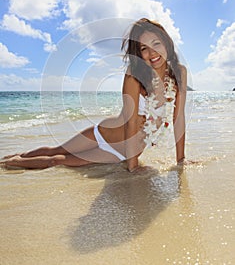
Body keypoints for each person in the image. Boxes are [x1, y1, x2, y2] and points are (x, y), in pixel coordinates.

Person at [2, 18, 187, 172]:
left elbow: (179, 118)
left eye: (156, 43)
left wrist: (181, 161)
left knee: (58, 161)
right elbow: (131, 122)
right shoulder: (134, 74)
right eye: (144, 48)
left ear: (166, 43)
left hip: (120, 152)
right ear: (138, 53)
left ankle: (12, 160)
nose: (152, 52)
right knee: (55, 153)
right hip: (106, 134)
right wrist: (132, 166)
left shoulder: (179, 73)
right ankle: (9, 162)